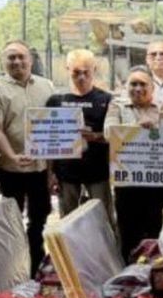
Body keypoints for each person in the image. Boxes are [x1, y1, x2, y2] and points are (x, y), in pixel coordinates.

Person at [0, 39, 56, 278]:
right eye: (11, 57)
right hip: (10, 169)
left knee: (39, 221)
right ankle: (12, 270)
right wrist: (11, 155)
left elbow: (55, 128)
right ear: (4, 62)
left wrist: (52, 170)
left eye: (21, 56)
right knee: (11, 223)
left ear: (30, 60)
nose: (17, 61)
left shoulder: (47, 87)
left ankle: (35, 266)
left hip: (41, 168)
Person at [105, 69, 163, 260]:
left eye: (143, 84)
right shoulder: (117, 106)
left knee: (156, 230)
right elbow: (108, 133)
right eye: (133, 84)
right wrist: (138, 128)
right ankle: (129, 277)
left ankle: (156, 275)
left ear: (152, 87)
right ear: (126, 87)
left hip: (158, 181)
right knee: (129, 232)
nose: (138, 88)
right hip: (127, 181)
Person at [45, 49, 113, 222]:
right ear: (67, 69)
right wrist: (50, 173)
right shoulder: (56, 101)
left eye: (86, 72)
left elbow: (115, 135)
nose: (81, 77)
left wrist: (96, 136)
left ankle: (105, 249)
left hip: (98, 172)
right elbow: (47, 141)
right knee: (67, 222)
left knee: (104, 219)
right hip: (66, 173)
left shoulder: (106, 99)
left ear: (94, 70)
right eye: (76, 72)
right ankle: (67, 250)